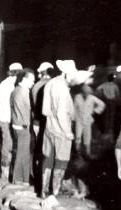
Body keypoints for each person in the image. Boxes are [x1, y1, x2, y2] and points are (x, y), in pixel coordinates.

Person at [41, 59, 76, 197]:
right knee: (61, 161)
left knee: (48, 160)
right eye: (72, 75)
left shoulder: (51, 83)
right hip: (62, 130)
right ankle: (54, 192)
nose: (73, 78)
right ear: (66, 73)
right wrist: (68, 132)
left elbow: (45, 109)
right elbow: (61, 112)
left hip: (49, 128)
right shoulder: (62, 88)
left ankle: (43, 191)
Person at [0, 62, 24, 180]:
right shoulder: (11, 86)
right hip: (7, 119)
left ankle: (7, 171)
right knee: (8, 144)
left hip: (4, 118)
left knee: (8, 144)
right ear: (17, 73)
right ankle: (5, 174)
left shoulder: (3, 84)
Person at [10, 69, 36, 185]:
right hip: (23, 127)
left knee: (23, 153)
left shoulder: (16, 90)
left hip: (17, 125)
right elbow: (22, 110)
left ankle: (24, 179)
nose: (33, 83)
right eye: (31, 80)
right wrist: (26, 124)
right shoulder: (22, 92)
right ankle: (19, 179)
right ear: (24, 79)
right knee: (22, 154)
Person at [74, 84, 105, 157]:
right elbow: (74, 108)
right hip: (79, 119)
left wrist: (95, 111)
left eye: (87, 93)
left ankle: (87, 153)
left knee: (87, 136)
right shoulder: (77, 97)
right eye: (84, 92)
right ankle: (77, 153)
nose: (86, 94)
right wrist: (74, 118)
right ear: (82, 92)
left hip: (88, 119)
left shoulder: (92, 98)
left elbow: (102, 104)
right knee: (78, 135)